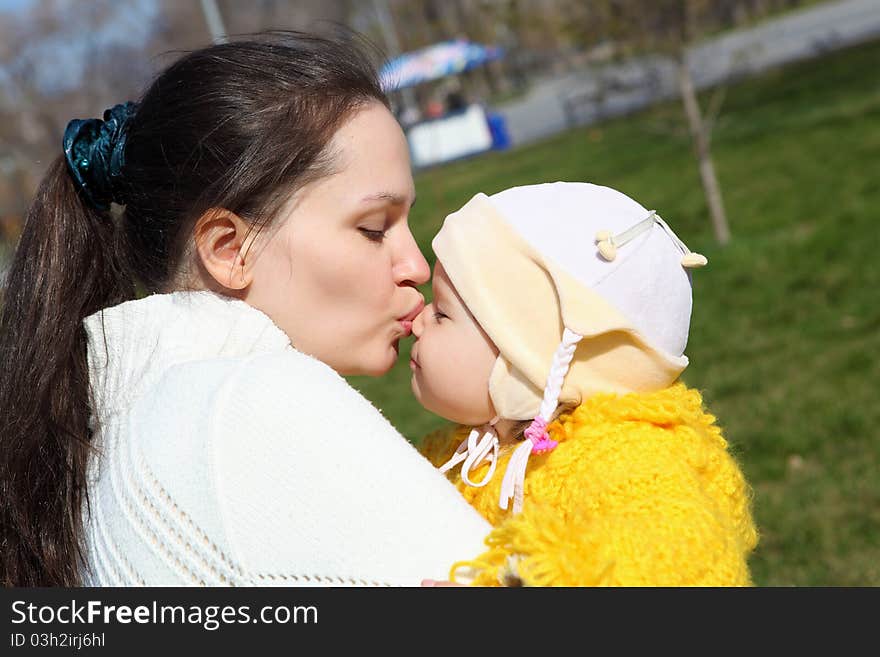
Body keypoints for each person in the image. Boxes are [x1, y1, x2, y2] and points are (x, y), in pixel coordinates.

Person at [0, 32, 494, 587]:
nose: (416, 266)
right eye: (374, 229)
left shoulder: (127, 429)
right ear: (230, 250)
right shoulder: (251, 402)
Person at [411, 182, 759, 586]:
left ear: (526, 356)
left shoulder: (627, 460)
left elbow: (682, 556)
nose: (419, 319)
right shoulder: (464, 450)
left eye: (441, 314)